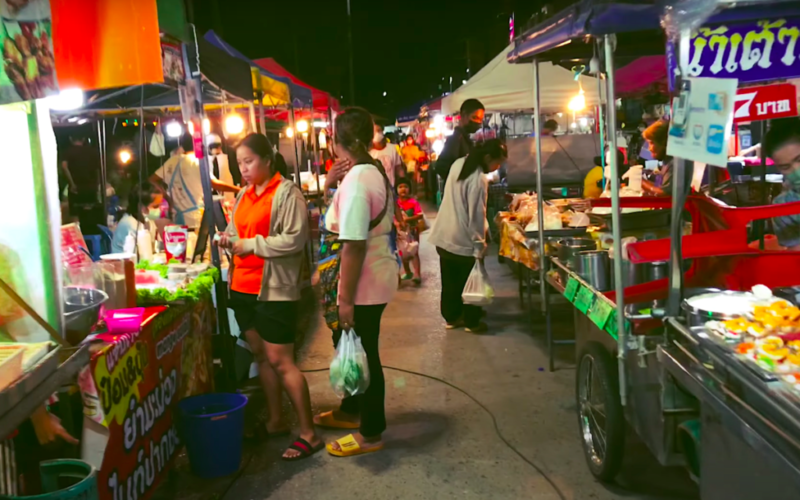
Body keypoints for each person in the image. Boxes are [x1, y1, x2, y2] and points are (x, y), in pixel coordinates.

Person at [216, 133, 322, 461]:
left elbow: (293, 240)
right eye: (239, 164)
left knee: (281, 361)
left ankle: (308, 433)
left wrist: (250, 245)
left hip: (273, 289)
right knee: (261, 357)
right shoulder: (246, 194)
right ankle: (276, 421)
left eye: (249, 162)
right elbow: (237, 231)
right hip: (243, 288)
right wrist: (228, 238)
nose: (243, 169)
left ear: (267, 159)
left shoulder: (287, 193)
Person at [314, 107, 397, 457]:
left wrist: (344, 299)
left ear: (337, 141)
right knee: (356, 347)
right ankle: (353, 411)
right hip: (366, 278)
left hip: (363, 283)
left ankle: (371, 433)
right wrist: (331, 183)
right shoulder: (366, 170)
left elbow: (353, 245)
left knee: (366, 356)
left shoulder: (361, 179)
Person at [428, 139, 508, 333]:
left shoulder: (459, 163)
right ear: (488, 158)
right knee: (470, 280)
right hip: (462, 238)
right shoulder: (478, 178)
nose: (497, 168)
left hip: (444, 233)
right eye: (497, 163)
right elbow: (476, 215)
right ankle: (472, 321)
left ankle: (452, 317)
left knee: (450, 282)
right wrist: (479, 244)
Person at [149, 134, 240, 229]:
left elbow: (151, 180)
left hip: (176, 217)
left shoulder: (172, 161)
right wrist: (239, 190)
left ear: (182, 146)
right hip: (194, 218)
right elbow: (215, 184)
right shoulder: (197, 163)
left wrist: (165, 195)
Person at [764, 118, 800, 250]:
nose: (796, 171)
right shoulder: (783, 207)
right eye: (786, 167)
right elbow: (796, 255)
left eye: (799, 159)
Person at [435, 99, 485, 183]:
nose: (478, 122)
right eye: (474, 117)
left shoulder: (466, 139)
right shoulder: (456, 139)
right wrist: (460, 182)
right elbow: (441, 167)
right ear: (464, 115)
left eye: (480, 119)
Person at [110, 184, 160, 254]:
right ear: (142, 207)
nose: (160, 209)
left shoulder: (147, 222)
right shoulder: (130, 224)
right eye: (155, 206)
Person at [61, 135, 101, 217]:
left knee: (76, 215)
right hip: (90, 187)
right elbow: (98, 169)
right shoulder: (92, 151)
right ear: (83, 139)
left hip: (76, 188)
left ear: (70, 138)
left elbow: (64, 166)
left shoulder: (68, 151)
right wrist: (97, 184)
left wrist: (72, 183)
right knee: (90, 213)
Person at [396, 178, 423, 284]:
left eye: (406, 187)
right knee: (402, 253)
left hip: (412, 232)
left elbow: (419, 215)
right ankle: (407, 272)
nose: (403, 189)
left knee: (414, 252)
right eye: (400, 187)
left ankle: (417, 274)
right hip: (400, 233)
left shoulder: (413, 202)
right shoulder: (396, 204)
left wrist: (408, 220)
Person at [640, 119, 672, 196]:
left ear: (664, 143)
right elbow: (658, 186)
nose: (649, 148)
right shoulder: (667, 163)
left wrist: (639, 181)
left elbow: (664, 194)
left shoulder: (675, 165)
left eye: (651, 143)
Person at [370, 123, 405, 188]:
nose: (377, 133)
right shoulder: (369, 152)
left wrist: (403, 182)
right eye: (374, 131)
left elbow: (398, 168)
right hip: (377, 189)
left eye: (379, 130)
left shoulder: (392, 148)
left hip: (391, 188)